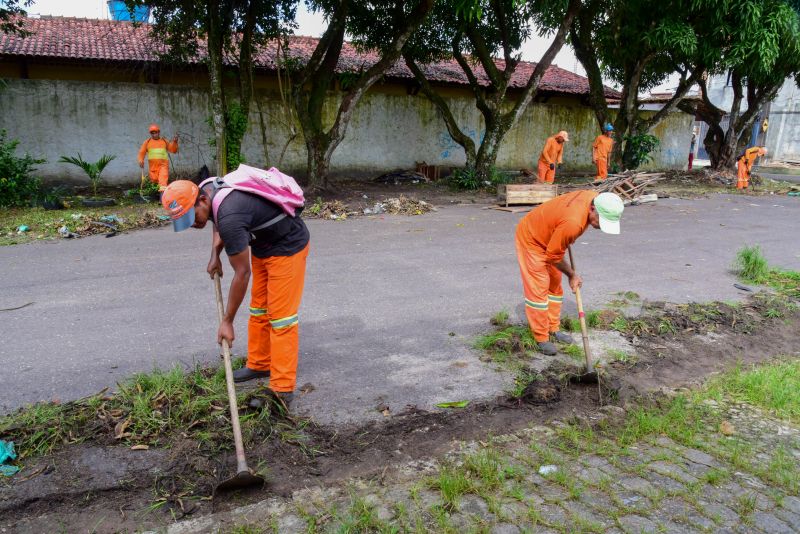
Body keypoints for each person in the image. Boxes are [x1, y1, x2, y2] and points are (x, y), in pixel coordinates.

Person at [160, 176, 310, 403]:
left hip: (287, 246)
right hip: (263, 244)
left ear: (201, 200)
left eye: (192, 216)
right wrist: (215, 256)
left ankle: (281, 387)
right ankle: (260, 363)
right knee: (259, 308)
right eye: (185, 220)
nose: (192, 224)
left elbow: (242, 273)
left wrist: (227, 321)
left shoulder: (229, 214)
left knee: (281, 318)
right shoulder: (207, 190)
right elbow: (215, 219)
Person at [515, 190, 624, 356]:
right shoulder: (573, 223)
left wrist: (561, 233)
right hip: (532, 239)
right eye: (601, 222)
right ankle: (541, 337)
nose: (600, 227)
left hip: (551, 234)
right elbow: (554, 256)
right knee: (539, 288)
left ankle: (553, 328)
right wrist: (572, 274)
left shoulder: (593, 196)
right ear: (592, 209)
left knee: (554, 285)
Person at [138, 123, 179, 192]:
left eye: (155, 133)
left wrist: (175, 142)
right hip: (153, 167)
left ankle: (162, 198)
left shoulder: (164, 141)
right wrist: (140, 160)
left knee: (163, 182)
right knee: (154, 181)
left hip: (163, 166)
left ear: (159, 132)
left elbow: (173, 150)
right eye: (152, 133)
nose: (154, 135)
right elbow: (142, 152)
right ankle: (157, 196)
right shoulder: (147, 142)